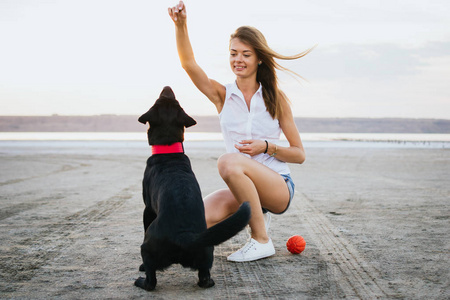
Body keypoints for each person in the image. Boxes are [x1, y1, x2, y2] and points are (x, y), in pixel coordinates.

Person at [168, 1, 310, 262]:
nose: (238, 60)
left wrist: (266, 146)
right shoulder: (222, 95)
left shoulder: (276, 99)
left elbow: (299, 155)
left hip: (278, 187)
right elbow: (189, 64)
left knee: (229, 161)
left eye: (246, 54)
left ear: (258, 59)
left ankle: (261, 240)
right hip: (242, 190)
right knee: (185, 227)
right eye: (234, 53)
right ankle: (256, 215)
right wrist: (181, 25)